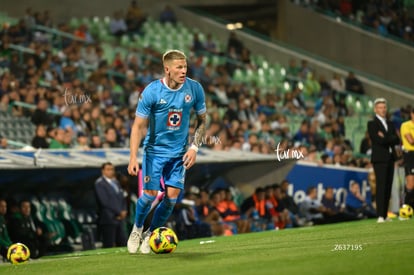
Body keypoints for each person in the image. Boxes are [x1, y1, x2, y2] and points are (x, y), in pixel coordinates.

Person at [126, 49, 207, 254]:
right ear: (167, 69)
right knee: (150, 195)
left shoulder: (195, 89)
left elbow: (203, 121)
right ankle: (137, 229)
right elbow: (137, 126)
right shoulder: (152, 92)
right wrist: (133, 157)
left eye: (185, 67)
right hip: (154, 152)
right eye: (179, 68)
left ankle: (151, 234)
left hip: (179, 154)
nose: (183, 71)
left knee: (171, 199)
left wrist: (194, 147)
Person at [367, 98, 400, 223]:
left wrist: (385, 137)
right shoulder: (372, 124)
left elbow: (396, 140)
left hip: (390, 158)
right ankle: (380, 215)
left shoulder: (390, 124)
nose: (383, 110)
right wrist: (389, 138)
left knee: (388, 186)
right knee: (381, 186)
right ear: (375, 109)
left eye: (384, 107)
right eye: (380, 107)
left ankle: (385, 214)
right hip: (380, 159)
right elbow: (377, 140)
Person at [94, 162, 128, 248]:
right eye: (108, 169)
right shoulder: (99, 183)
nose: (111, 171)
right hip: (108, 218)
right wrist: (119, 211)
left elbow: (122, 197)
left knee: (123, 242)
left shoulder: (116, 182)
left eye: (112, 169)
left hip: (120, 218)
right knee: (108, 243)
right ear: (103, 171)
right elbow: (105, 201)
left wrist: (124, 210)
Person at [400, 108, 414, 208]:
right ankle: (405, 207)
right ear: (411, 114)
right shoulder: (406, 125)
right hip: (410, 155)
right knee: (410, 183)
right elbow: (411, 140)